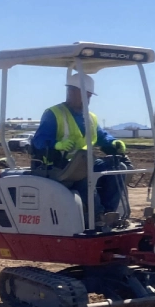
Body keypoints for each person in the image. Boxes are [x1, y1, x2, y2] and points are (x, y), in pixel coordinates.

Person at [30, 71, 129, 225]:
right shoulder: (54, 113)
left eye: (89, 96)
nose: (87, 100)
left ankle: (110, 214)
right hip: (58, 165)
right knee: (84, 173)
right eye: (84, 95)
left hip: (84, 162)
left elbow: (102, 137)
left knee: (118, 167)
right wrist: (56, 145)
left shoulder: (90, 117)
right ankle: (97, 216)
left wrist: (114, 144)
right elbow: (39, 140)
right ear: (71, 92)